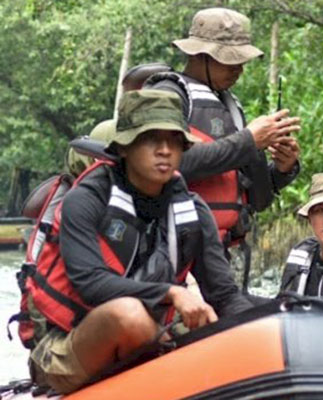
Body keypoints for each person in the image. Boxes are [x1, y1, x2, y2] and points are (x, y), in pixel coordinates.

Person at [26, 90, 252, 394]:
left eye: (174, 141)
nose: (164, 150)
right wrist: (172, 293)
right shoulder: (85, 201)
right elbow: (91, 284)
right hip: (67, 344)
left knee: (230, 322)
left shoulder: (194, 210)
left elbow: (223, 295)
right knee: (129, 315)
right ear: (124, 148)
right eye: (150, 139)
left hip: (154, 337)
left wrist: (256, 327)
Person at [146, 7, 302, 251]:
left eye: (241, 61)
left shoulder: (230, 107)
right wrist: (249, 141)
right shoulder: (167, 94)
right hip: (168, 247)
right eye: (230, 60)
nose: (238, 69)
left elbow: (259, 199)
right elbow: (165, 166)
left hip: (218, 253)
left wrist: (282, 169)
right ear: (200, 55)